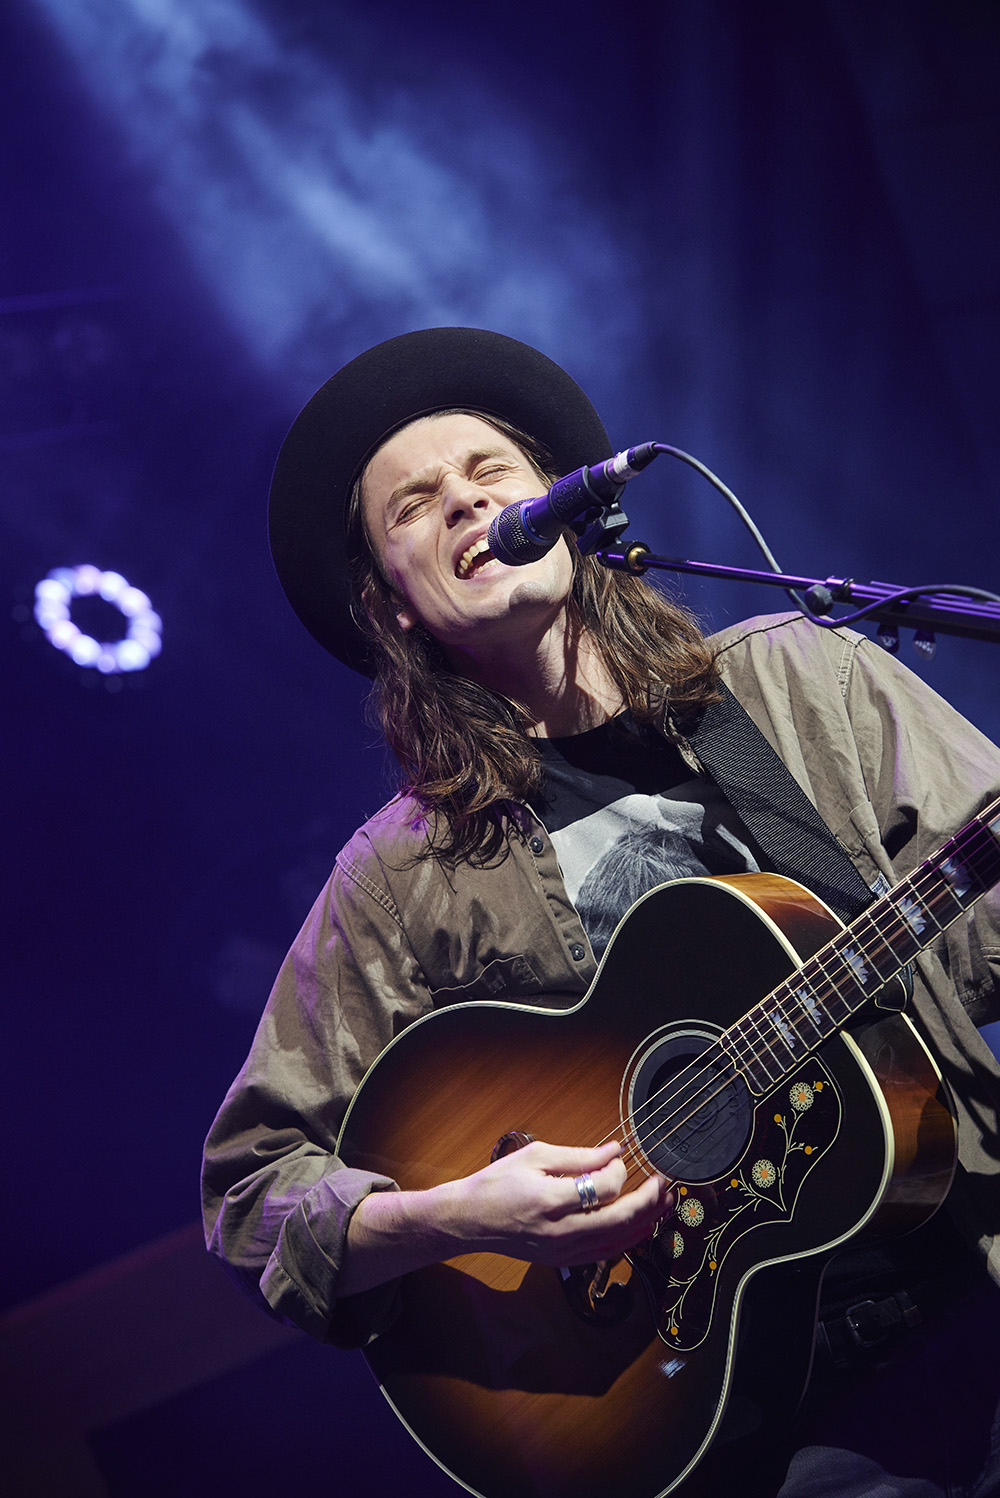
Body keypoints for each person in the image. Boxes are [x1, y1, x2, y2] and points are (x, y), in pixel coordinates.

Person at [202, 327, 1000, 1496]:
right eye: (416, 506)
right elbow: (249, 1184)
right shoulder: (400, 874)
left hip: (961, 1264)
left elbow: (977, 938)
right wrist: (447, 1214)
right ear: (400, 606)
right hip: (710, 1411)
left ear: (566, 509)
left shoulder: (796, 678)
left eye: (491, 473)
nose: (468, 503)